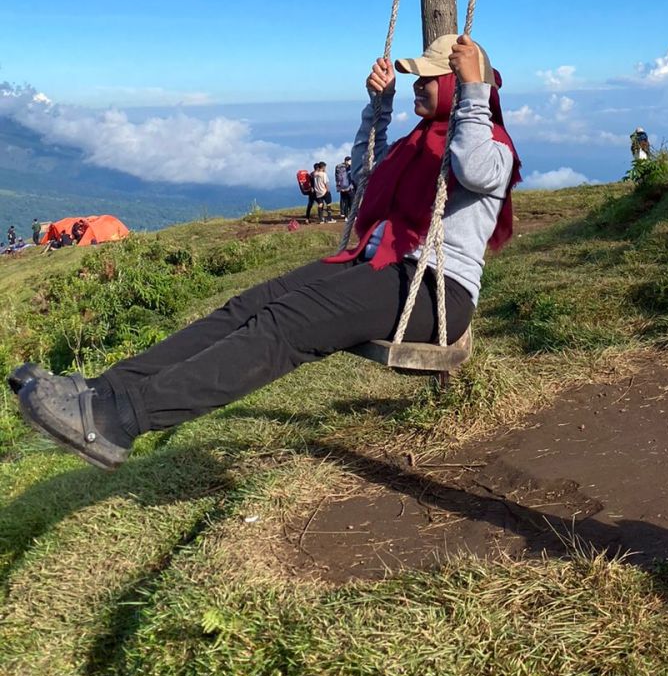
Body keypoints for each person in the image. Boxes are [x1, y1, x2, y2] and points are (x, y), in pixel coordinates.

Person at [9, 34, 520, 471]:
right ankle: (101, 394)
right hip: (379, 268)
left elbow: (472, 170)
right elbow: (365, 177)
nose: (417, 85)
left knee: (285, 325)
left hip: (433, 289)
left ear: (458, 84)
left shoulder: (489, 142)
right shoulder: (418, 143)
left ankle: (120, 421)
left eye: (429, 78)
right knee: (247, 307)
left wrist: (475, 91)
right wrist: (378, 109)